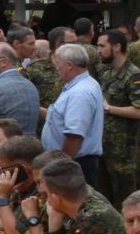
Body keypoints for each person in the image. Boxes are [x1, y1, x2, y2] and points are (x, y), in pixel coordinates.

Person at [97, 29, 140, 204]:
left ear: (117, 47)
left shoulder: (133, 75)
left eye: (102, 46)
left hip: (127, 153)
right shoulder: (108, 74)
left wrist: (109, 108)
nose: (99, 50)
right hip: (107, 148)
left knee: (128, 201)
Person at [43, 42, 107, 188]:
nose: (56, 68)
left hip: (75, 163)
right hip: (76, 161)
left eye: (58, 63)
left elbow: (75, 135)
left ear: (69, 65)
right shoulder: (83, 84)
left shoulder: (79, 93)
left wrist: (62, 166)